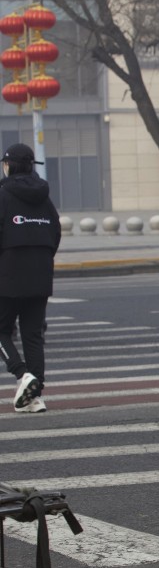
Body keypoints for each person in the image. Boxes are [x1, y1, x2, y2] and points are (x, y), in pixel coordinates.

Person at [0, 143, 61, 413]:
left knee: (1, 329)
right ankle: (35, 397)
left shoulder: (3, 194)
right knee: (33, 335)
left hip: (9, 273)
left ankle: (22, 374)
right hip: (41, 272)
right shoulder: (45, 197)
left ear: (9, 165)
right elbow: (56, 233)